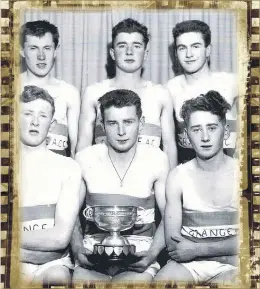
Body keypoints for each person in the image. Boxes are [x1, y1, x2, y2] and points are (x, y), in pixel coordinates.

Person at [72, 89, 169, 283]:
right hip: (93, 257)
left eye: (128, 122)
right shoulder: (85, 158)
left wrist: (151, 255)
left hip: (139, 258)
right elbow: (71, 214)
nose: (121, 131)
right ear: (102, 126)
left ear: (141, 124)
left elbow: (170, 216)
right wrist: (77, 250)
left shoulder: (157, 159)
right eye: (112, 123)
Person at [154, 91, 239, 283]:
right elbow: (173, 244)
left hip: (231, 265)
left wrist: (199, 249)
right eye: (196, 129)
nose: (205, 137)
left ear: (225, 132)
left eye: (212, 127)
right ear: (186, 136)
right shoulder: (178, 176)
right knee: (164, 282)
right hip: (189, 264)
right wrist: (227, 249)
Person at [76, 18, 177, 169]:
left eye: (136, 46)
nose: (129, 52)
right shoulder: (94, 93)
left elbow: (169, 147)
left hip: (148, 184)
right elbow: (83, 146)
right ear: (112, 53)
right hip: (104, 180)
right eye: (122, 46)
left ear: (146, 53)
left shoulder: (160, 94)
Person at [20, 85, 82, 285]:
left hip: (54, 264)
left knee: (58, 280)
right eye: (27, 113)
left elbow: (60, 239)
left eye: (43, 115)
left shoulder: (69, 168)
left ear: (52, 123)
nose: (35, 122)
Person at [166, 20, 238, 163]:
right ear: (175, 53)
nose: (189, 54)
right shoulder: (170, 89)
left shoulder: (231, 83)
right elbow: (169, 145)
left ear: (208, 50)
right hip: (189, 174)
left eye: (195, 46)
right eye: (182, 48)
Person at [20, 20, 80, 157]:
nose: (41, 56)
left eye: (47, 48)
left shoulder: (69, 92)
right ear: (22, 51)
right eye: (33, 48)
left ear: (55, 50)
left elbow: (75, 148)